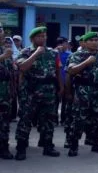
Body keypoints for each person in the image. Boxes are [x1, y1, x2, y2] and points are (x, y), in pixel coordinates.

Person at [13, 26, 63, 160]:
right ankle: (21, 148)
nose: (43, 38)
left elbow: (58, 71)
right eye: (39, 36)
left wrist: (61, 87)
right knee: (25, 119)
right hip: (30, 91)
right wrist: (36, 54)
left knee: (48, 120)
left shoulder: (53, 53)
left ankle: (48, 146)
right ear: (32, 39)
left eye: (44, 36)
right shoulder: (25, 52)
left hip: (48, 91)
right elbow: (22, 67)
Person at [65, 32, 98, 156]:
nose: (95, 42)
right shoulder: (76, 55)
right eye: (92, 40)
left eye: (96, 40)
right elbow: (71, 71)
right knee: (79, 119)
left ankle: (96, 143)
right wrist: (86, 62)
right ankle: (74, 145)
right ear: (85, 43)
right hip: (82, 91)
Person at [0, 23, 15, 159]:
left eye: (1, 31)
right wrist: (3, 57)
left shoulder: (6, 50)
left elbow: (11, 72)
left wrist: (12, 89)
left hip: (4, 93)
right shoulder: (5, 53)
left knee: (4, 123)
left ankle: (3, 148)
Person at [55, 37, 71, 126]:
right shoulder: (53, 53)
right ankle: (54, 119)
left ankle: (63, 119)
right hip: (55, 80)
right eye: (65, 43)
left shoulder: (70, 54)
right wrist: (57, 52)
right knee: (55, 101)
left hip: (65, 81)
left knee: (65, 101)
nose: (67, 45)